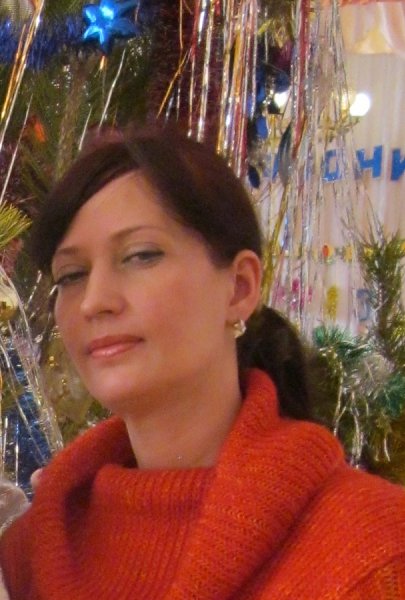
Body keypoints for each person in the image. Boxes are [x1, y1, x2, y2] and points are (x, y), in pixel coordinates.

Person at [0, 126, 404, 599]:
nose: (93, 301)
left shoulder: (371, 553)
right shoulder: (29, 554)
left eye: (140, 256)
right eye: (71, 275)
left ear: (239, 288)